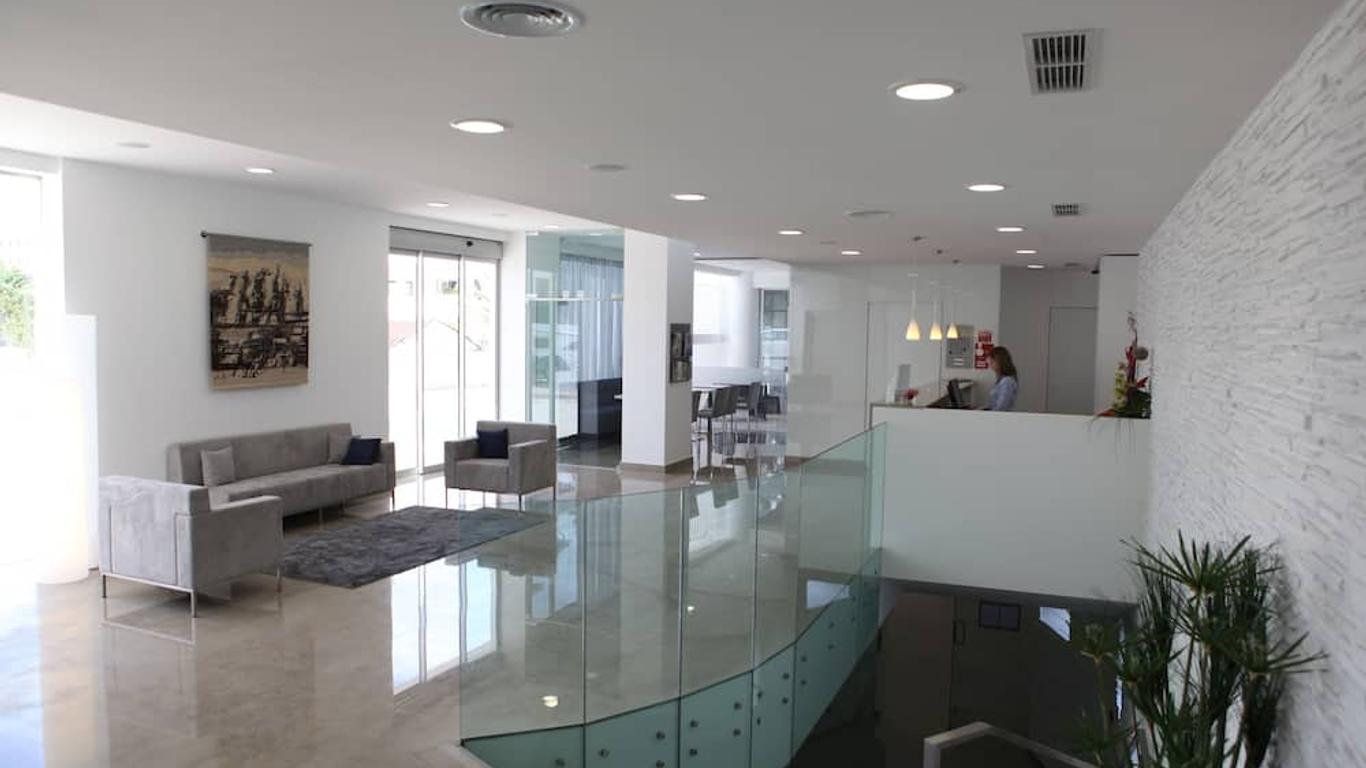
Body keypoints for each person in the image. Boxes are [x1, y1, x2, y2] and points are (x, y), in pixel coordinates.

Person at [986, 346, 1019, 411]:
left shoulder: (1007, 382)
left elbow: (1001, 407)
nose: (990, 366)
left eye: (992, 362)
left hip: (1000, 415)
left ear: (1000, 362)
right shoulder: (1002, 379)